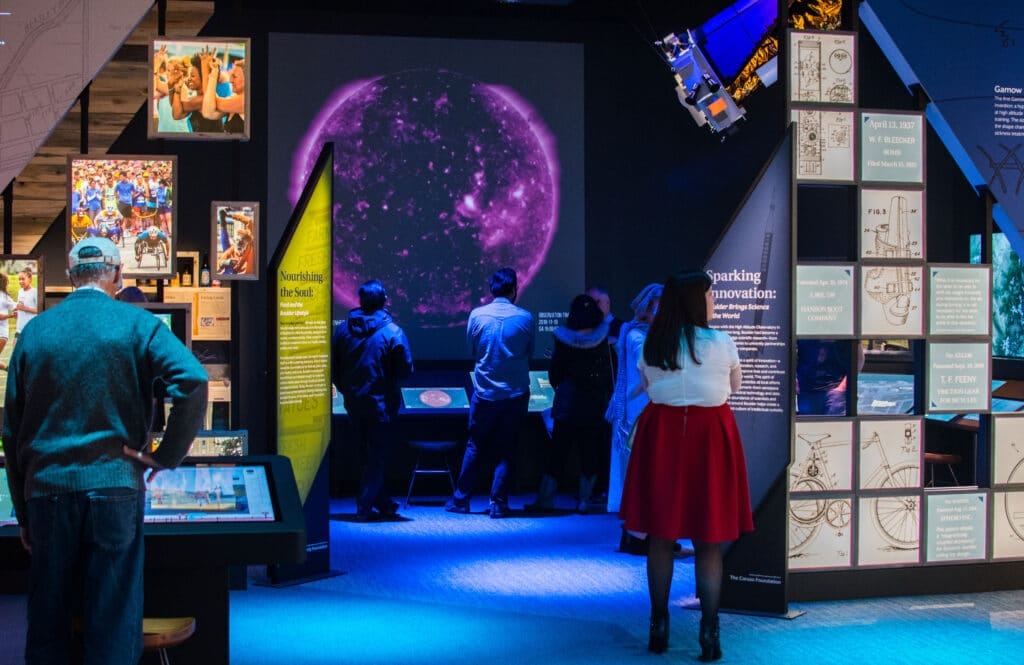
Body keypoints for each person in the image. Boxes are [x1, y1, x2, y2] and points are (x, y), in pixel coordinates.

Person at [2, 237, 208, 665]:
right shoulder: (138, 325)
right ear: (117, 273)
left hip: (47, 494)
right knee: (113, 621)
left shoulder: (35, 332)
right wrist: (167, 456)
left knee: (48, 622)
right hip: (116, 488)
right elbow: (193, 380)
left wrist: (23, 514)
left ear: (69, 277)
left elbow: (11, 432)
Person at [619, 270, 753, 659]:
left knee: (661, 535)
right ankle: (710, 631)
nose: (714, 301)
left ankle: (658, 624)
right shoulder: (722, 342)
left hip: (662, 436)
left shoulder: (653, 343)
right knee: (709, 540)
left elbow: (647, 386)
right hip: (710, 436)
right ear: (697, 300)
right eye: (710, 295)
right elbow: (735, 386)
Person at [446, 268, 534, 518]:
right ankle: (498, 503)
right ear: (514, 289)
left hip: (484, 392)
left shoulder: (477, 315)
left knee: (475, 445)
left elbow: (472, 350)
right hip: (515, 393)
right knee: (507, 449)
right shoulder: (526, 318)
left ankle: (461, 500)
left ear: (492, 289)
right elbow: (529, 352)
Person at [331, 280, 414, 521]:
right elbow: (406, 369)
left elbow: (333, 367)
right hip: (382, 405)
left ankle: (383, 502)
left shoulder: (342, 330)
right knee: (376, 456)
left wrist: (347, 389)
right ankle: (365, 506)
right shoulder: (393, 332)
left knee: (364, 454)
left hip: (353, 402)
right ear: (384, 300)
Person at [526, 294, 612, 514]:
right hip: (593, 404)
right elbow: (606, 374)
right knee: (589, 454)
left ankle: (546, 499)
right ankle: (584, 501)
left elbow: (555, 372)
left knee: (557, 453)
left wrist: (562, 389)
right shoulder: (603, 338)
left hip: (567, 403)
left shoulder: (562, 339)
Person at [605, 282, 662, 549]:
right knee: (640, 475)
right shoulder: (638, 337)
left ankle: (638, 533)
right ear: (650, 306)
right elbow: (649, 371)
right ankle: (637, 535)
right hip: (638, 412)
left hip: (638, 409)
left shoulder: (634, 332)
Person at [14, 267, 37, 337]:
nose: (20, 281)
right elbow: (20, 306)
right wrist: (17, 312)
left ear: (30, 279)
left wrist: (24, 308)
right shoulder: (20, 291)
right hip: (19, 329)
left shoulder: (35, 292)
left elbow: (40, 310)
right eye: (19, 279)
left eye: (23, 279)